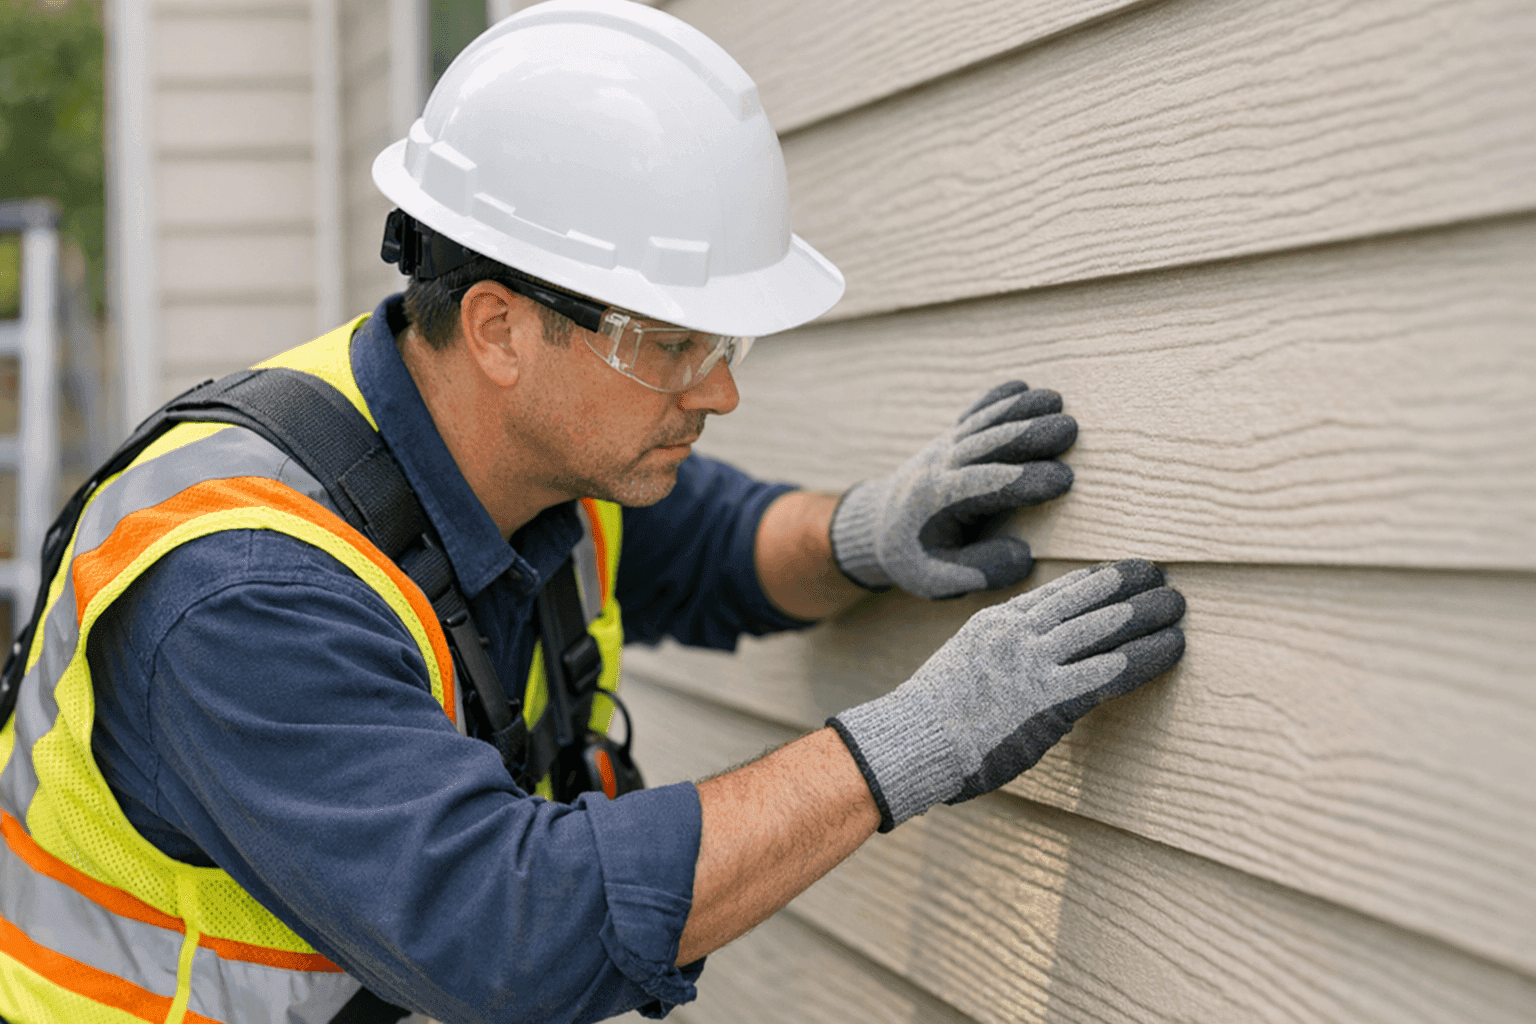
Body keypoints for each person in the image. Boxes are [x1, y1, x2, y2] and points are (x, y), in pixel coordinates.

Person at [0, 2, 1186, 1022]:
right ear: (502, 329)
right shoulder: (247, 594)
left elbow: (714, 547)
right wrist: (912, 743)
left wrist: (863, 534)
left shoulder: (502, 447)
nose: (718, 389)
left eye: (720, 343)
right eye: (671, 345)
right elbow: (504, 932)